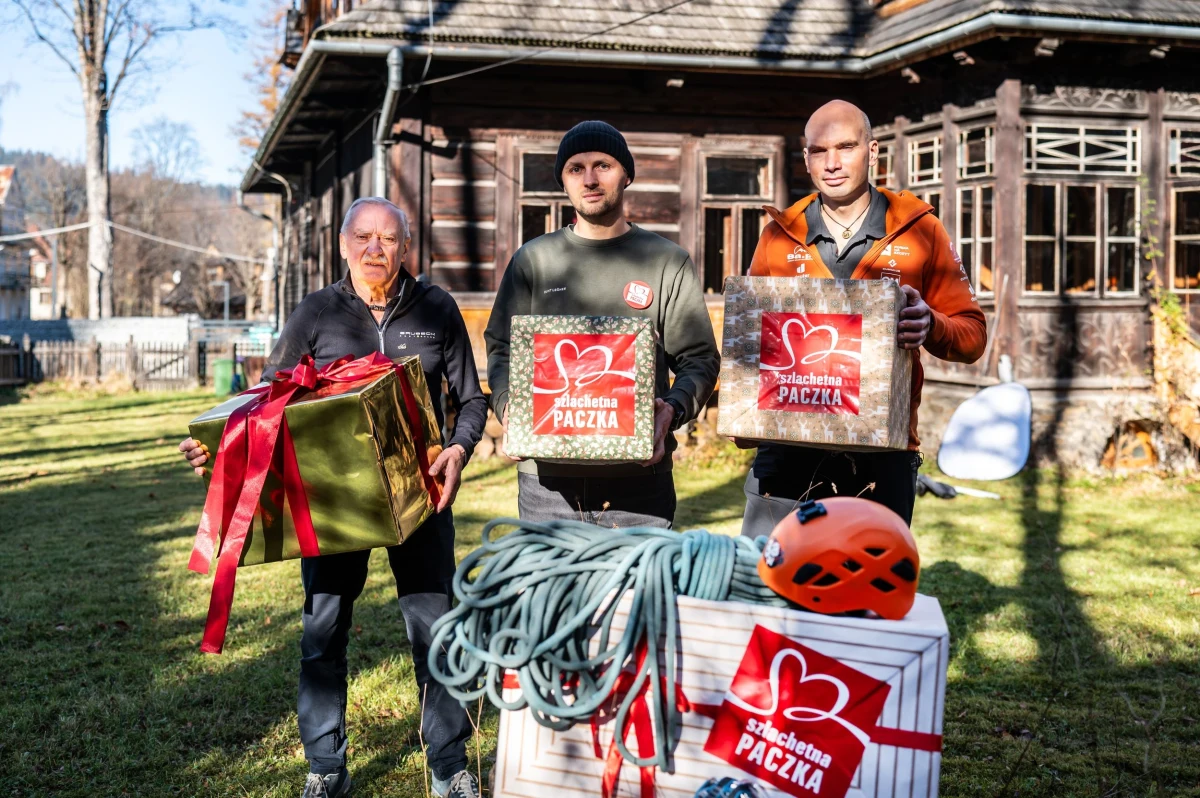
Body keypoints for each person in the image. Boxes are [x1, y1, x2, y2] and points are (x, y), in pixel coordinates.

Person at [178, 197, 486, 798]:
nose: (375, 249)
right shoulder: (317, 310)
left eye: (388, 238)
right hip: (335, 502)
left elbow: (471, 398)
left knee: (435, 631)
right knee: (323, 630)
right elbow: (268, 398)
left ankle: (449, 767)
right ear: (343, 245)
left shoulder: (437, 308)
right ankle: (326, 768)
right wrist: (219, 447)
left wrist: (458, 449)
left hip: (420, 497)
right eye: (363, 237)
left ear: (405, 246)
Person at [739, 100, 986, 532]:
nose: (832, 163)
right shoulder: (778, 236)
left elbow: (973, 336)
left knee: (867, 576)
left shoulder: (919, 229)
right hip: (786, 451)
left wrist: (931, 324)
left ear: (872, 152)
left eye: (846, 147)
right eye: (819, 151)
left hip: (881, 455)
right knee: (769, 573)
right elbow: (748, 343)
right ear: (806, 159)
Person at [484, 120, 720, 527]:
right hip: (547, 486)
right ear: (563, 181)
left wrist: (671, 411)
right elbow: (502, 348)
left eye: (603, 166)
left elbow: (699, 358)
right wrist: (509, 407)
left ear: (626, 174)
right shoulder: (533, 261)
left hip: (639, 484)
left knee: (640, 576)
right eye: (575, 168)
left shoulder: (667, 261)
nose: (589, 179)